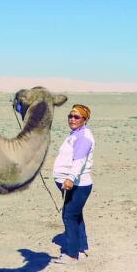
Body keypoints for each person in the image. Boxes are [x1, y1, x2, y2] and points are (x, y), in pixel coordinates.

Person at [52, 104, 95, 263]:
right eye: (70, 116)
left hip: (77, 184)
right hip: (73, 183)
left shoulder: (83, 137)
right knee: (76, 216)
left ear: (85, 119)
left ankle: (71, 255)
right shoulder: (76, 134)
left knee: (69, 216)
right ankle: (81, 249)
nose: (72, 119)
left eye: (77, 117)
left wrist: (70, 178)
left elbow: (79, 161)